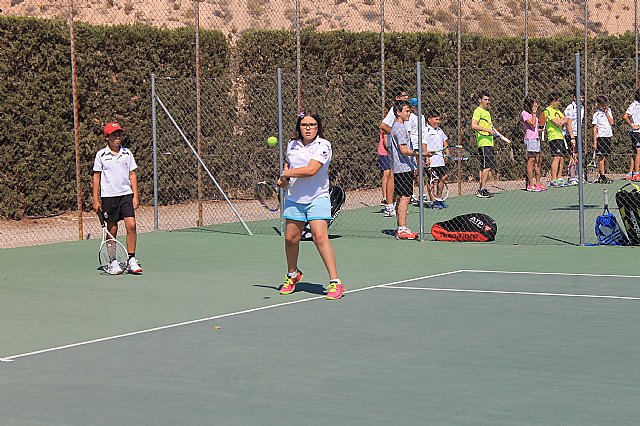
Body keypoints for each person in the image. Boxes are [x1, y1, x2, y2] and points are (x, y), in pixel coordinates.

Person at [278, 111, 345, 300]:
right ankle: (292, 275)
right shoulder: (292, 144)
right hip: (294, 199)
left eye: (312, 125)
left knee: (319, 236)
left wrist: (287, 174)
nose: (308, 128)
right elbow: (287, 169)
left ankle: (335, 283)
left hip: (318, 198)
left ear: (318, 127)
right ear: (299, 127)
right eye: (304, 125)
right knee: (291, 238)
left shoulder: (323, 145)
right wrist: (284, 180)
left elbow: (312, 170)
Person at [92, 122, 143, 275]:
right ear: (107, 137)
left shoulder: (127, 153)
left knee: (132, 225)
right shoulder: (101, 155)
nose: (118, 137)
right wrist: (95, 199)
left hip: (126, 195)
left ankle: (131, 259)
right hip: (108, 197)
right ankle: (113, 261)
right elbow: (96, 177)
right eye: (114, 134)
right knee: (112, 229)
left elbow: (132, 174)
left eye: (119, 133)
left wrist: (135, 195)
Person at [388, 100, 419, 239]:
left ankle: (400, 228)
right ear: (398, 112)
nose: (409, 113)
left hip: (401, 168)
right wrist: (419, 154)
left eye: (409, 111)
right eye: (406, 111)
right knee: (405, 197)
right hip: (404, 167)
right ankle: (402, 230)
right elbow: (403, 150)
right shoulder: (399, 128)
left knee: (401, 197)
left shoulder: (397, 126)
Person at [379, 87, 410, 217]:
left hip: (404, 147)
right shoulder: (394, 111)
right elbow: (382, 125)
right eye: (404, 96)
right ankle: (389, 205)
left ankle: (397, 204)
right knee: (391, 174)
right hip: (395, 149)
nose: (406, 97)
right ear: (397, 98)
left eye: (407, 95)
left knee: (400, 176)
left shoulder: (407, 111)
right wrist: (395, 133)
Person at [471, 91, 505, 198]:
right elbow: (474, 125)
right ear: (479, 100)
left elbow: (490, 127)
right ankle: (482, 189)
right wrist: (487, 130)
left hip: (489, 141)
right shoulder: (478, 111)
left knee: (484, 166)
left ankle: (482, 188)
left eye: (488, 100)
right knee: (487, 166)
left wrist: (493, 132)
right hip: (483, 142)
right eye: (485, 99)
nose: (487, 102)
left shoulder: (487, 113)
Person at [543, 93, 572, 187]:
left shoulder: (558, 110)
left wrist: (562, 121)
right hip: (553, 136)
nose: (559, 102)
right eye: (558, 100)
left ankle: (559, 177)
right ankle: (553, 179)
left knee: (562, 157)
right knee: (556, 157)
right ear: (553, 101)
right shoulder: (548, 110)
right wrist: (561, 121)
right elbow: (557, 122)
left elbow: (566, 120)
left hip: (561, 136)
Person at [424, 110, 449, 208]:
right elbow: (424, 145)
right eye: (436, 119)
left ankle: (438, 198)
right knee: (431, 181)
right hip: (431, 159)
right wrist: (427, 158)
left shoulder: (439, 130)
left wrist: (446, 152)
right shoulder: (426, 130)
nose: (438, 121)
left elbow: (445, 140)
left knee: (444, 177)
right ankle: (433, 201)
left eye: (439, 119)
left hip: (440, 159)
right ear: (429, 119)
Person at [521, 97, 545, 191]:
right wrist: (534, 113)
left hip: (536, 139)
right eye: (534, 103)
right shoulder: (525, 113)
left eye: (536, 104)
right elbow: (533, 124)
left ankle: (538, 183)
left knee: (538, 161)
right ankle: (531, 184)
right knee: (531, 161)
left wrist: (541, 130)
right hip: (530, 140)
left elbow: (535, 128)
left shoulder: (532, 114)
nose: (536, 105)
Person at [592, 95, 614, 184]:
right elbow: (594, 129)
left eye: (605, 104)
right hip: (600, 137)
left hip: (608, 136)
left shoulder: (609, 111)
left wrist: (606, 113)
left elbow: (612, 122)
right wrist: (595, 142)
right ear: (598, 104)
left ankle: (604, 173)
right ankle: (602, 176)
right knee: (601, 157)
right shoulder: (596, 115)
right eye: (602, 104)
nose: (604, 106)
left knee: (606, 156)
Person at [564, 94, 584, 185]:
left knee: (578, 155)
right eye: (580, 97)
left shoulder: (582, 108)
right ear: (574, 97)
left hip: (578, 134)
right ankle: (572, 177)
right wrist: (572, 137)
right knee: (573, 155)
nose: (581, 99)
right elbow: (568, 124)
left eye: (583, 98)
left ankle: (577, 175)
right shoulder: (570, 108)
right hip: (571, 135)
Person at [623, 88, 640, 182]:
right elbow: (625, 116)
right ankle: (637, 174)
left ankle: (630, 173)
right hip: (635, 132)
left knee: (635, 153)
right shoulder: (634, 105)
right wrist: (633, 125)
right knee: (638, 153)